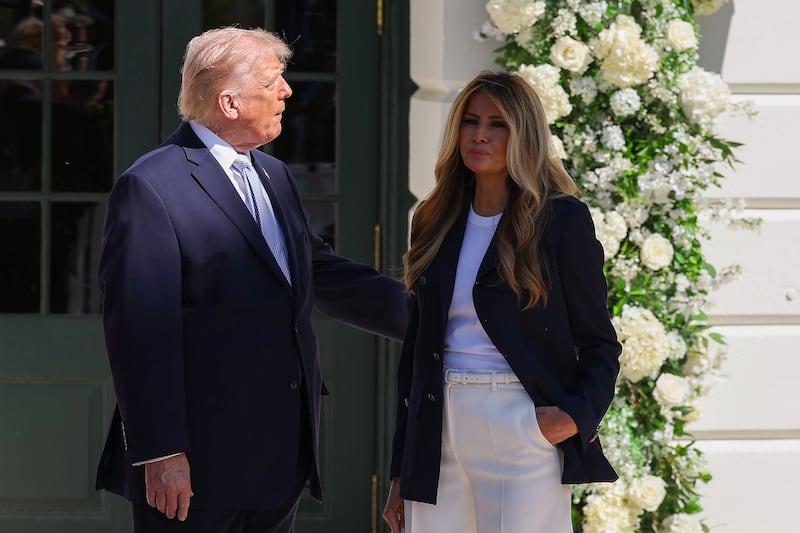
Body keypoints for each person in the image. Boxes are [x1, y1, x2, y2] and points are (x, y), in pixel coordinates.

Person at [95, 26, 407, 533]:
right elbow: (138, 331)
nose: (287, 91)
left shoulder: (273, 175)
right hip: (194, 465)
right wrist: (162, 450)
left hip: (279, 458)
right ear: (230, 102)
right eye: (272, 81)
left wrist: (442, 318)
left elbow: (319, 274)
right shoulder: (151, 186)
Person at [382, 71, 621, 533]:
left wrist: (574, 416)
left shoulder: (560, 220)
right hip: (438, 426)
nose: (480, 135)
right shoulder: (434, 220)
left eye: (498, 124)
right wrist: (401, 471)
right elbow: (414, 355)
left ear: (523, 133)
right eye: (471, 122)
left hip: (518, 424)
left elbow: (599, 343)